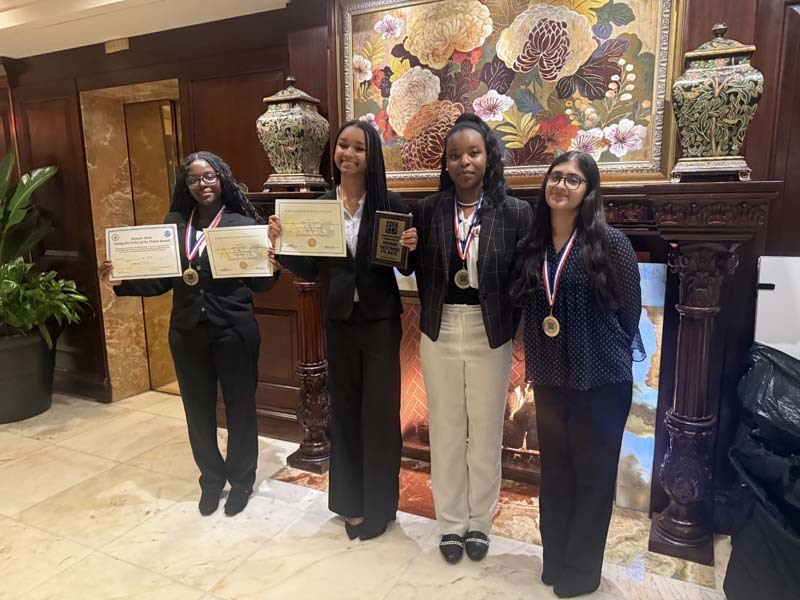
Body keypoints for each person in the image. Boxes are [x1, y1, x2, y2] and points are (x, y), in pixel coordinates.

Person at [99, 151, 279, 517]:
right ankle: (211, 480)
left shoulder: (241, 223)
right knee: (197, 411)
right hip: (186, 331)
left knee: (240, 409)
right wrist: (120, 280)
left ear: (221, 178)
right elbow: (161, 280)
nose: (202, 184)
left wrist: (272, 266)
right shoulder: (174, 225)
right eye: (194, 179)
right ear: (186, 184)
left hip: (234, 329)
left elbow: (258, 284)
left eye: (209, 176)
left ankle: (241, 481)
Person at [267, 120, 417, 541]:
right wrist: (282, 245)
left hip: (380, 321)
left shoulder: (389, 203)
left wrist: (410, 249)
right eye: (343, 146)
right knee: (345, 412)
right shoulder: (318, 206)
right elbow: (310, 268)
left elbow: (403, 266)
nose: (348, 154)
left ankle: (381, 505)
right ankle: (351, 503)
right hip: (338, 321)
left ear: (371, 157)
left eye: (358, 148)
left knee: (381, 415)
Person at [510, 151, 644, 598]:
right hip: (552, 380)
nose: (561, 185)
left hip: (601, 381)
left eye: (573, 180)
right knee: (556, 474)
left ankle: (583, 571)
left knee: (593, 477)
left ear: (589, 191)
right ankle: (556, 560)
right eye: (556, 177)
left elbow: (630, 313)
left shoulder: (612, 244)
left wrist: (602, 350)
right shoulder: (532, 247)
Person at [409, 113, 533, 564]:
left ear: (488, 157)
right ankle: (450, 523)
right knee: (445, 429)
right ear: (446, 162)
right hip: (441, 327)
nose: (464, 162)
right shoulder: (427, 210)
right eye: (456, 155)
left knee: (484, 429)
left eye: (474, 153)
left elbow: (524, 276)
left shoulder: (515, 212)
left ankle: (480, 521)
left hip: (489, 329)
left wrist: (512, 320)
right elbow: (407, 265)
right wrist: (404, 248)